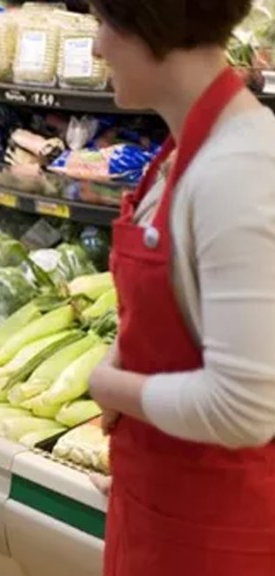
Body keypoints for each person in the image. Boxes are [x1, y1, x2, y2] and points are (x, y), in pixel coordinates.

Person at [84, 1, 275, 575]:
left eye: (106, 22)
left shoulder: (236, 170)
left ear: (153, 27)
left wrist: (109, 385)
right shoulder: (188, 150)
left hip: (218, 536)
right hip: (162, 511)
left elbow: (244, 410)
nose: (96, 47)